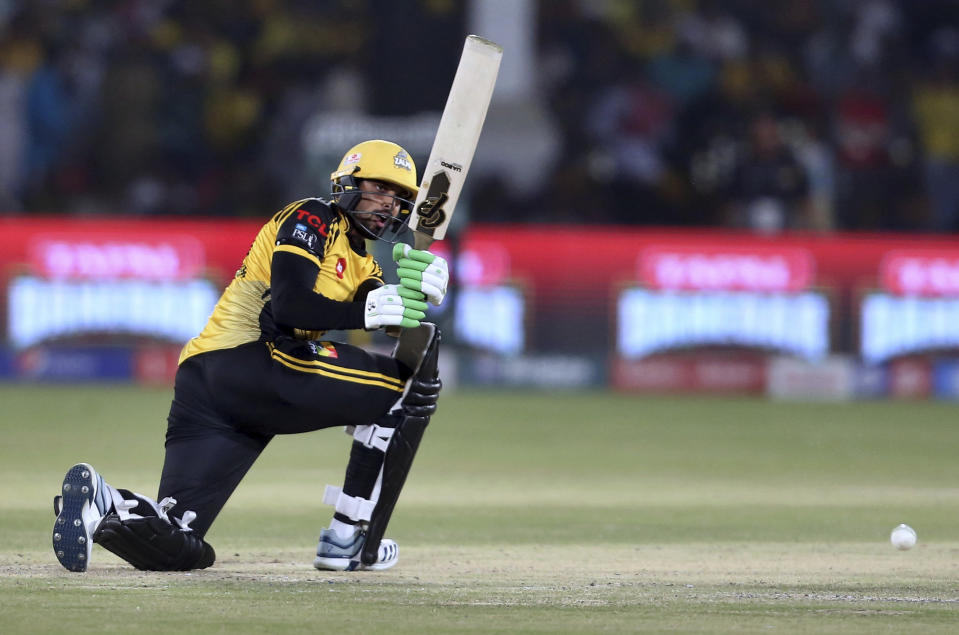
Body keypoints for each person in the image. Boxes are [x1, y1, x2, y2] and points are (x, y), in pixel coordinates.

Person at [51, 139, 450, 573]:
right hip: (251, 358)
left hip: (209, 386)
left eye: (398, 199)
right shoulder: (313, 216)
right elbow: (291, 307)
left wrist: (420, 290)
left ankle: (104, 501)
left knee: (182, 546)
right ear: (348, 184)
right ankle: (348, 538)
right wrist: (367, 310)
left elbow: (392, 319)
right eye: (378, 189)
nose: (387, 206)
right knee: (404, 389)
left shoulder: (365, 265)